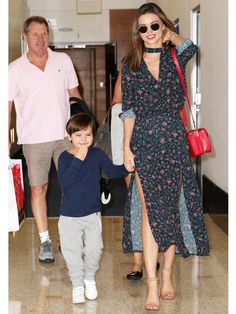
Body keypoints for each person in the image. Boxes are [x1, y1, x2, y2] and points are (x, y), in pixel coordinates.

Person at [121, 3, 210, 311]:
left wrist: (171, 34)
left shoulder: (176, 56)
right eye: (142, 28)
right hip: (144, 141)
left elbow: (191, 46)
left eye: (153, 26)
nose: (148, 33)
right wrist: (125, 147)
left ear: (162, 26)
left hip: (173, 140)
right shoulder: (130, 64)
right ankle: (152, 284)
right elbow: (128, 110)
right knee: (149, 212)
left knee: (170, 210)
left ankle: (169, 276)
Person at [8, 16, 83, 263]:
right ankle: (45, 241)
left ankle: (68, 233)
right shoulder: (15, 69)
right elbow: (6, 108)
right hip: (33, 139)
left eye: (44, 34)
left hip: (64, 137)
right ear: (25, 37)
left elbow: (74, 95)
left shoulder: (63, 61)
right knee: (38, 188)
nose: (40, 39)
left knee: (71, 186)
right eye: (35, 35)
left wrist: (82, 129)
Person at [57, 113, 127, 303]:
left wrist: (128, 167)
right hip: (69, 216)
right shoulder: (64, 158)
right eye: (78, 135)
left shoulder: (97, 155)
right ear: (69, 137)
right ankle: (78, 284)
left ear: (93, 136)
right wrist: (78, 160)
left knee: (95, 250)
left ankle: (89, 278)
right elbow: (65, 182)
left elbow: (112, 171)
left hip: (92, 214)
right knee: (72, 251)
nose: (83, 140)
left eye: (88, 135)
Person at [111, 72, 160, 280]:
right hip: (133, 143)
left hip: (159, 142)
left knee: (152, 206)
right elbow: (117, 102)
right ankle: (138, 261)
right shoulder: (129, 68)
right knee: (137, 204)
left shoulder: (166, 64)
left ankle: (151, 257)